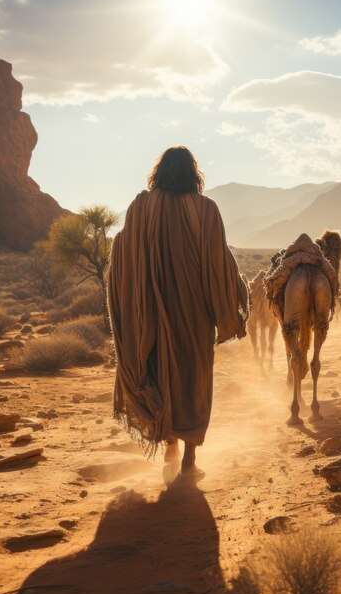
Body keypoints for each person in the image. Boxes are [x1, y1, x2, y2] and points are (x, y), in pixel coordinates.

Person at [107, 146, 249, 476]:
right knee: (194, 379)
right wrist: (233, 301)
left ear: (159, 171)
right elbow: (220, 263)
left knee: (160, 372)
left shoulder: (141, 207)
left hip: (152, 315)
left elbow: (123, 250)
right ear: (193, 173)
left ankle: (169, 440)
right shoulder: (206, 210)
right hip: (196, 314)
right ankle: (189, 457)